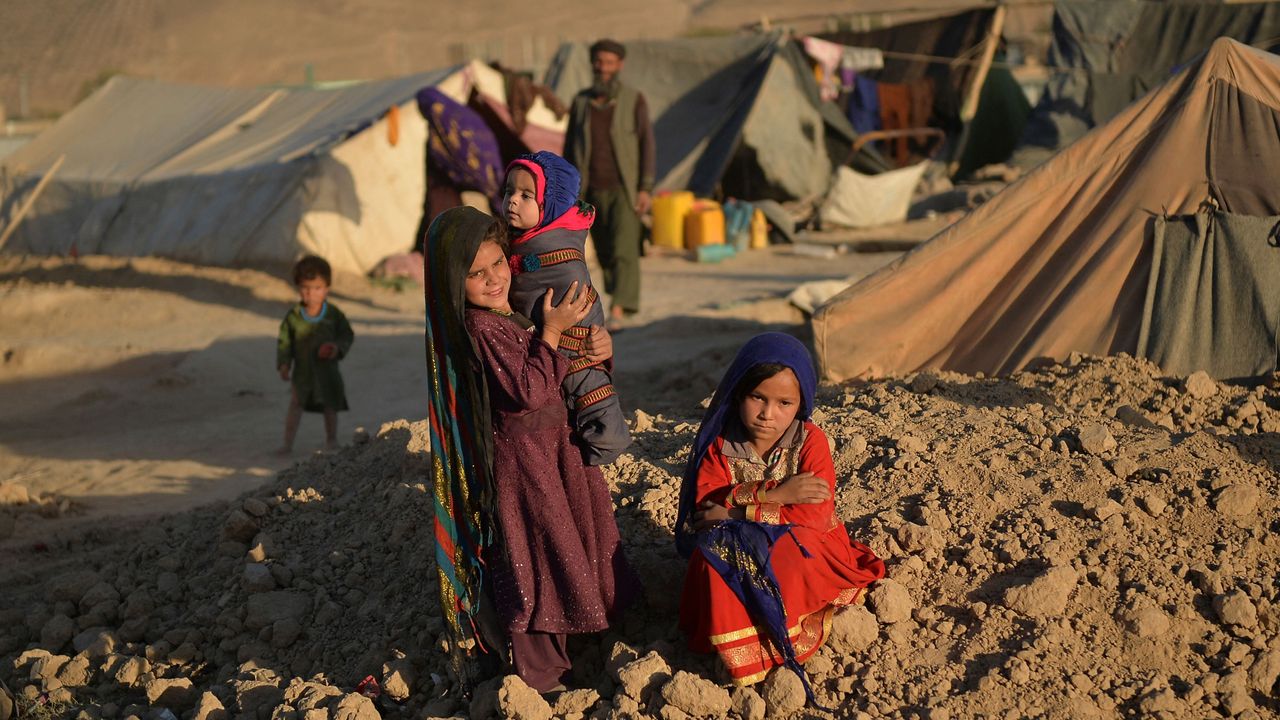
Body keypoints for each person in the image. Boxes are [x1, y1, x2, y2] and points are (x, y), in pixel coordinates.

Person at [422, 206, 641, 694]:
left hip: (555, 451)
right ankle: (542, 676)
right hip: (526, 464)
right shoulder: (482, 329)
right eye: (475, 274)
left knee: (577, 536)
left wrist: (595, 348)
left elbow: (556, 371)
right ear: (454, 282)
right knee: (539, 557)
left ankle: (593, 631)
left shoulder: (507, 315)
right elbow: (527, 389)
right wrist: (555, 332)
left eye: (498, 262)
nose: (493, 278)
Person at [675, 333, 885, 694]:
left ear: (801, 402)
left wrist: (737, 511)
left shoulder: (810, 441)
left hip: (803, 543)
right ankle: (741, 651)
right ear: (739, 393)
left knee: (790, 549)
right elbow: (705, 513)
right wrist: (779, 493)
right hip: (737, 544)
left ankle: (778, 640)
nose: (767, 414)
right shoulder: (720, 447)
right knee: (714, 559)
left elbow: (816, 517)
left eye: (784, 403)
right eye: (758, 397)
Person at [503, 150, 631, 465]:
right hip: (540, 360)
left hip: (564, 361)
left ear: (551, 204)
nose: (513, 201)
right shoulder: (521, 239)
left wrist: (594, 340)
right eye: (509, 191)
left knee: (585, 399)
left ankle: (600, 437)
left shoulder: (560, 260)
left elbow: (577, 318)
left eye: (526, 195)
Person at [564, 38, 656, 330]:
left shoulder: (633, 99)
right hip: (591, 188)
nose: (603, 68)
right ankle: (614, 300)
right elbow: (570, 148)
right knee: (603, 249)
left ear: (620, 65)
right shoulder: (581, 102)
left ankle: (621, 307)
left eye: (609, 62)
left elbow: (647, 144)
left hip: (624, 188)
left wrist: (645, 187)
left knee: (623, 248)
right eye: (599, 62)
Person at [276, 255, 354, 453]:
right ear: (297, 287)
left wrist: (335, 348)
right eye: (305, 288)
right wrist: (284, 364)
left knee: (330, 406)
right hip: (302, 374)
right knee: (295, 405)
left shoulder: (333, 315)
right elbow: (284, 342)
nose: (310, 293)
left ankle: (331, 440)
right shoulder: (293, 317)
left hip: (327, 372)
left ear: (327, 288)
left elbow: (346, 334)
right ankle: (287, 445)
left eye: (317, 288)